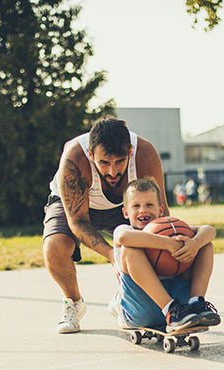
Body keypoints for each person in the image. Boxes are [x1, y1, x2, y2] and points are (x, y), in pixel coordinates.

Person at [43, 118, 170, 333]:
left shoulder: (145, 154)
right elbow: (77, 221)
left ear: (130, 152)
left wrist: (166, 242)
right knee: (54, 246)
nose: (112, 171)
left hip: (124, 204)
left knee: (153, 238)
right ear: (91, 155)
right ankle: (73, 302)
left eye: (120, 161)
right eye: (104, 163)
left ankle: (125, 301)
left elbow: (160, 212)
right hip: (76, 206)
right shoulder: (74, 157)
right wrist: (113, 255)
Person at [109, 177, 220, 331]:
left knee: (205, 245)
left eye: (149, 204)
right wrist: (168, 244)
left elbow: (209, 230)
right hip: (142, 308)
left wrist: (194, 244)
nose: (143, 210)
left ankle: (196, 303)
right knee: (130, 249)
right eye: (136, 206)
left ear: (160, 210)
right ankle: (166, 309)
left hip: (183, 307)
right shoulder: (125, 230)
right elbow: (123, 238)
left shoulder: (170, 228)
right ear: (125, 212)